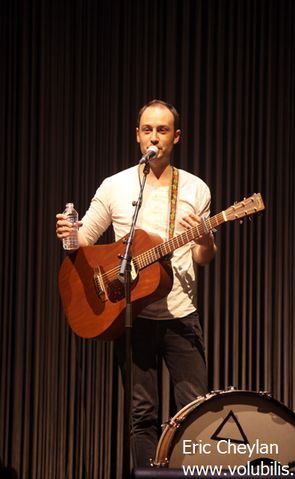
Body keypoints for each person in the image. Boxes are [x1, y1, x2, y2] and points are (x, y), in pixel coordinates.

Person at [56, 99, 217, 468]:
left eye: (162, 130)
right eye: (147, 130)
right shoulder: (116, 185)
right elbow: (85, 240)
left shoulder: (194, 188)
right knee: (141, 415)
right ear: (137, 136)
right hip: (131, 314)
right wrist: (70, 232)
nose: (154, 138)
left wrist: (206, 240)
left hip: (180, 315)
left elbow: (201, 257)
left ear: (175, 137)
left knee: (193, 411)